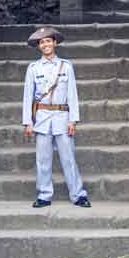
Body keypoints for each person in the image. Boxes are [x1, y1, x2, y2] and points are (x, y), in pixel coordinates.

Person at [22, 26, 91, 208]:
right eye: (42, 42)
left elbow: (72, 94)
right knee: (43, 160)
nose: (45, 44)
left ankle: (78, 194)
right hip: (42, 117)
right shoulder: (33, 68)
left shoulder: (66, 66)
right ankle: (44, 195)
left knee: (68, 158)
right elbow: (27, 96)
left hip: (62, 116)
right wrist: (28, 121)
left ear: (54, 43)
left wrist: (73, 120)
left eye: (48, 41)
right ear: (39, 46)